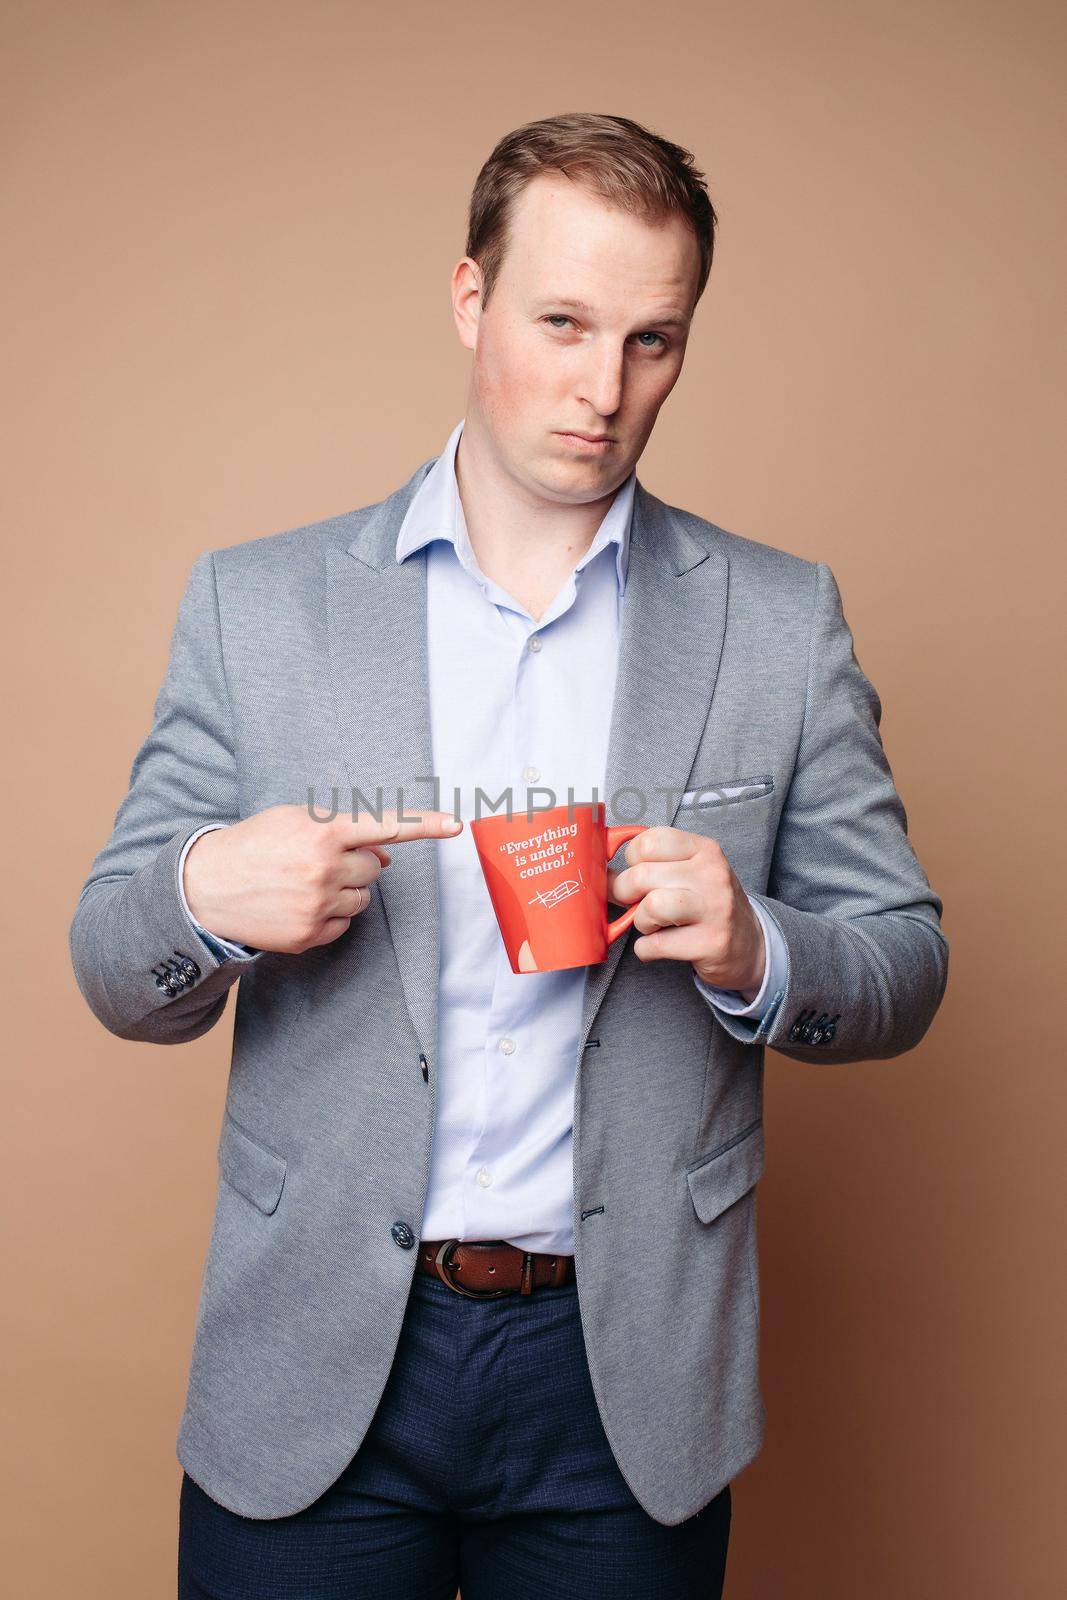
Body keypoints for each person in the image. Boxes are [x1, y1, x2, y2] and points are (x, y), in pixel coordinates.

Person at [69, 112, 948, 1599]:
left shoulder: (780, 624)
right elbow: (113, 961)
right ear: (469, 300)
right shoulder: (258, 608)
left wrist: (758, 949)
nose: (605, 392)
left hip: (625, 1381)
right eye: (562, 323)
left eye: (654, 341)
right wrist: (207, 898)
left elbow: (906, 963)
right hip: (317, 1359)